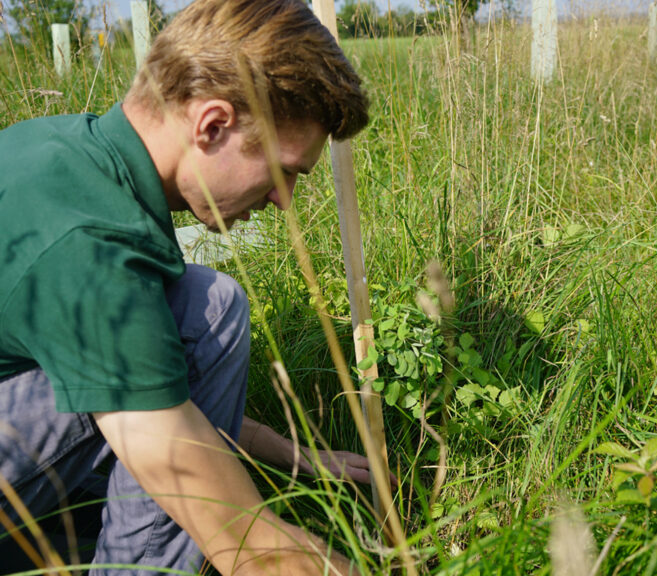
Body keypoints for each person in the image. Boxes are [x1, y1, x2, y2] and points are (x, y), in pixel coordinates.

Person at [0, 0, 376, 573]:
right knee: (209, 312)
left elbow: (147, 371)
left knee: (198, 305)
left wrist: (295, 456)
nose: (283, 200)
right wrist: (282, 551)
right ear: (213, 125)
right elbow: (244, 539)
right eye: (285, 171)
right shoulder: (89, 240)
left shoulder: (68, 153)